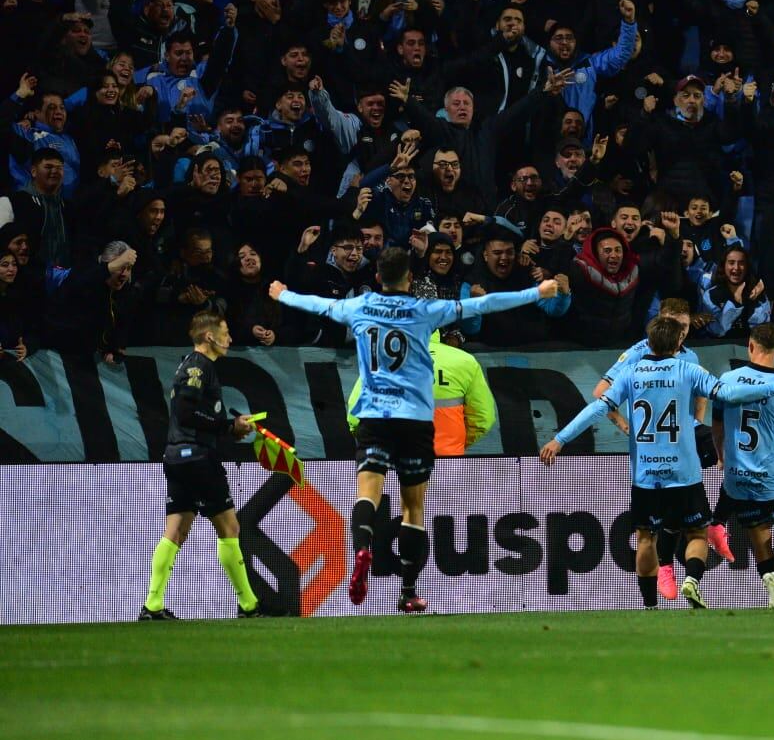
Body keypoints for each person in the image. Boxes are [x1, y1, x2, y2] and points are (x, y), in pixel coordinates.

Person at [269, 248, 558, 613]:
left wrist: (283, 294)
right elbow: (484, 306)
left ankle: (362, 546)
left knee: (368, 493)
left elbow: (318, 304)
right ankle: (408, 590)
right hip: (415, 421)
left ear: (377, 276)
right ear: (408, 279)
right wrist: (537, 293)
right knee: (413, 506)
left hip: (374, 416)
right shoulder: (425, 311)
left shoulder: (357, 308)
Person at [540, 316, 774, 610]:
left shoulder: (631, 373)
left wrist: (559, 439)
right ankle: (691, 580)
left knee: (645, 538)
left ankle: (650, 606)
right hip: (683, 474)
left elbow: (597, 408)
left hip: (646, 476)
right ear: (679, 343)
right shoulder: (688, 370)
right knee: (696, 533)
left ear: (648, 342)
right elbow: (727, 394)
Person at [590, 298, 726, 602]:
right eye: (674, 327)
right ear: (658, 323)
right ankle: (677, 557)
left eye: (685, 328)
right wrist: (625, 425)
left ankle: (715, 524)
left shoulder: (689, 356)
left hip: (681, 441)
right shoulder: (639, 354)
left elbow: (701, 395)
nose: (679, 335)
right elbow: (601, 393)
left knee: (723, 455)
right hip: (652, 451)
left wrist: (695, 423)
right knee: (662, 522)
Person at [140, 312, 259, 621]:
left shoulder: (192, 364)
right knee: (230, 528)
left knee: (176, 530)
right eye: (226, 332)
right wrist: (227, 427)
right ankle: (248, 605)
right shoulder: (199, 365)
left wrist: (227, 425)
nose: (230, 339)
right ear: (210, 337)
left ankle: (152, 605)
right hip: (196, 457)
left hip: (176, 457)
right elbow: (185, 411)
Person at [711, 323, 774, 609]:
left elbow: (716, 424)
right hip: (773, 477)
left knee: (759, 536)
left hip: (738, 477)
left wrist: (721, 456)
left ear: (750, 346)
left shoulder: (728, 378)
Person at [347, 329, 496, 459]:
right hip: (448, 461)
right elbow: (483, 418)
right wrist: (456, 443)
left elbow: (356, 416)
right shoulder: (465, 361)